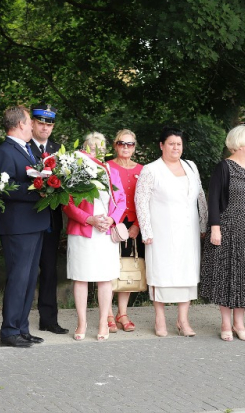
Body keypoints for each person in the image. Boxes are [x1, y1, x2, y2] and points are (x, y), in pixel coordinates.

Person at [135, 127, 208, 337]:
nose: (175, 148)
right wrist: (146, 230)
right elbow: (141, 202)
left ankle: (183, 320)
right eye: (171, 144)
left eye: (179, 144)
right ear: (161, 145)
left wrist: (204, 224)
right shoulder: (151, 170)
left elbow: (200, 196)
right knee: (162, 272)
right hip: (161, 230)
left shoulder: (191, 166)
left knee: (187, 273)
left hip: (189, 230)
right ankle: (160, 319)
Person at [0, 105, 50, 348]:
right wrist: (40, 189)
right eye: (29, 121)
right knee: (18, 278)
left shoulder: (25, 149)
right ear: (21, 124)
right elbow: (3, 188)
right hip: (17, 226)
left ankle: (22, 328)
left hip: (33, 223)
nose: (33, 125)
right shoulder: (5, 151)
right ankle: (9, 331)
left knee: (28, 278)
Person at [200, 125, 245, 341]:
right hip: (228, 230)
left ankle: (240, 323)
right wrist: (215, 228)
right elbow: (213, 199)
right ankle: (226, 323)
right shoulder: (224, 167)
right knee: (227, 277)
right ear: (240, 144)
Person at [63, 132, 126, 341]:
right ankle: (81, 322)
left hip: (105, 232)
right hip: (83, 230)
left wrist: (113, 219)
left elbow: (121, 199)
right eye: (92, 146)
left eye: (100, 146)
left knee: (104, 278)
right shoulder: (74, 167)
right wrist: (88, 219)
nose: (96, 150)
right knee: (80, 278)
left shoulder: (109, 169)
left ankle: (102, 322)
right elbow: (67, 202)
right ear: (85, 147)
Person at [28, 104, 68, 335]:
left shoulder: (58, 150)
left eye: (49, 123)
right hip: (29, 217)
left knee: (50, 271)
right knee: (27, 271)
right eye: (41, 123)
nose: (45, 127)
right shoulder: (24, 147)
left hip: (52, 220)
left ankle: (49, 319)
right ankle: (19, 320)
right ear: (32, 123)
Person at [106, 129, 144, 333]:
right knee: (109, 269)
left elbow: (145, 200)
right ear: (115, 145)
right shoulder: (106, 167)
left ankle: (122, 312)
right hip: (112, 223)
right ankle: (108, 314)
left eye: (130, 144)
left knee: (127, 268)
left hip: (132, 224)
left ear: (134, 147)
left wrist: (137, 224)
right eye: (122, 143)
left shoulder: (142, 170)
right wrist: (109, 222)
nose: (126, 147)